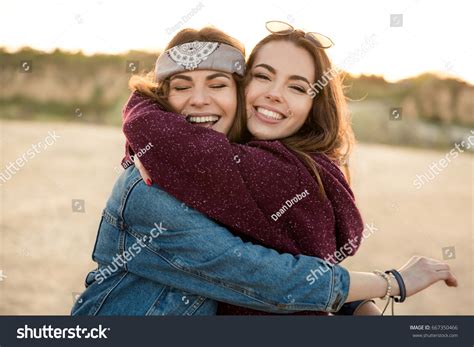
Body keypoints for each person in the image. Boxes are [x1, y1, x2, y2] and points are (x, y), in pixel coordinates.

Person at [72, 26, 457, 316]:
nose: (200, 99)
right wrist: (391, 283)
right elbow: (257, 276)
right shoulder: (150, 187)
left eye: (218, 84)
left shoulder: (247, 174)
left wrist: (353, 307)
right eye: (181, 86)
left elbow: (280, 259)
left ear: (237, 93)